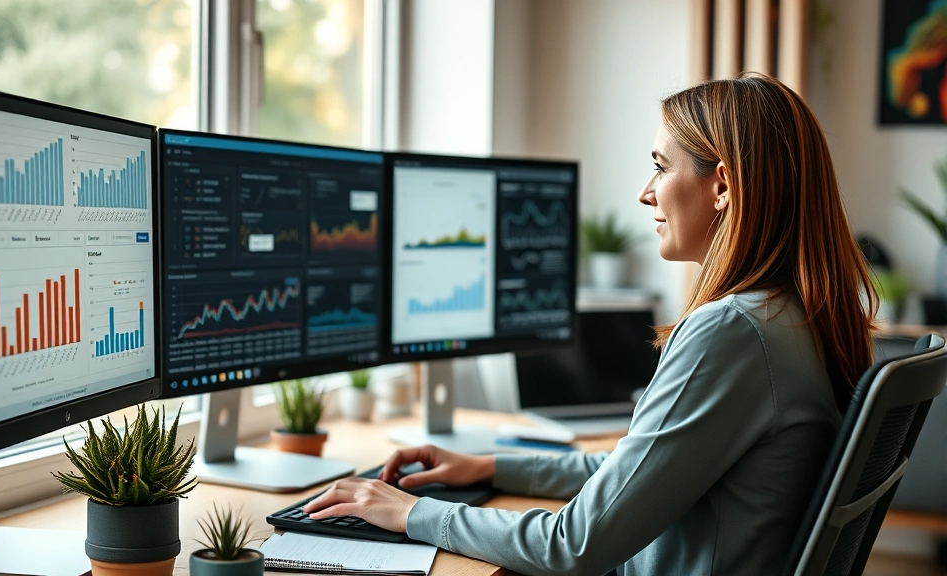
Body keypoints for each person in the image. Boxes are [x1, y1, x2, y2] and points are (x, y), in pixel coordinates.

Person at [304, 72, 878, 575]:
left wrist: (411, 512)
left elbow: (575, 545)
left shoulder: (733, 331)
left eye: (660, 166)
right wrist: (488, 466)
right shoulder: (795, 315)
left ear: (722, 185)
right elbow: (638, 472)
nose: (644, 191)